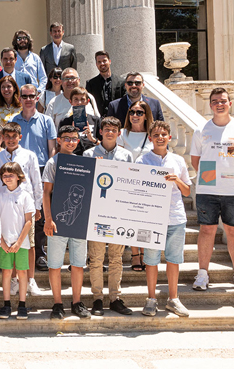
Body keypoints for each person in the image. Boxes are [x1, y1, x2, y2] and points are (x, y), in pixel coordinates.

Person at [190, 87, 234, 293]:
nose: (219, 104)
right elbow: (196, 161)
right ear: (210, 105)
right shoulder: (201, 131)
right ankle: (202, 274)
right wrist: (212, 178)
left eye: (223, 100)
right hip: (207, 188)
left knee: (233, 231)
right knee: (207, 230)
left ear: (229, 104)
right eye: (215, 101)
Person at [138, 121, 193, 317]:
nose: (160, 137)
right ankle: (151, 299)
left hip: (176, 217)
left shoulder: (178, 161)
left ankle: (173, 299)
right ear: (151, 137)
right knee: (151, 260)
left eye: (164, 134)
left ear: (169, 137)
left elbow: (187, 191)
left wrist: (176, 179)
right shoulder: (142, 161)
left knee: (173, 260)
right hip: (151, 219)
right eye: (156, 134)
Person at [82, 116, 134, 316]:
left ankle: (115, 298)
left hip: (118, 213)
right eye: (107, 129)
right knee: (95, 258)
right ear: (100, 132)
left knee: (116, 258)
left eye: (114, 129)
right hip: (96, 212)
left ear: (119, 133)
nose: (110, 132)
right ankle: (97, 298)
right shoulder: (88, 154)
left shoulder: (126, 156)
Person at [0, 123, 44, 297]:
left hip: (25, 207)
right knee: (8, 242)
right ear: (3, 138)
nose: (10, 139)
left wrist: (38, 205)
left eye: (14, 136)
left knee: (29, 243)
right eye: (7, 136)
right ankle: (13, 281)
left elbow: (36, 181)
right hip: (3, 207)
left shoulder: (29, 155)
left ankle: (30, 279)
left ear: (20, 136)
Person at [41, 125, 90, 319]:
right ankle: (58, 303)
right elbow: (46, 192)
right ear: (59, 140)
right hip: (56, 223)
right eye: (67, 138)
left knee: (78, 264)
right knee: (54, 265)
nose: (71, 141)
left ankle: (77, 302)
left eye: (74, 138)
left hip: (80, 222)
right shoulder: (53, 163)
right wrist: (48, 219)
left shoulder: (84, 163)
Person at [10, 83, 57, 275]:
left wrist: (51, 172)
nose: (28, 99)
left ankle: (39, 253)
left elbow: (52, 148)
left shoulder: (46, 121)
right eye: (25, 96)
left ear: (37, 97)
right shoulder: (14, 120)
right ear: (19, 98)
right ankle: (19, 252)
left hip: (41, 169)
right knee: (22, 214)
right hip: (19, 172)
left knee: (40, 214)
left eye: (32, 96)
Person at [0, 161, 34, 320]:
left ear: (19, 176)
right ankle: (7, 304)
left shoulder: (25, 196)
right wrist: (2, 242)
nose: (8, 178)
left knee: (22, 272)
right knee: (6, 272)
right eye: (5, 175)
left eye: (11, 175)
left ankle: (22, 305)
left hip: (21, 243)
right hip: (4, 242)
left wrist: (18, 242)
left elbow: (29, 221)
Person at [57, 87, 101, 154]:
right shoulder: (65, 122)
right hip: (73, 157)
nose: (79, 103)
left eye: (82, 99)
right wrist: (72, 133)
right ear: (70, 101)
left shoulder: (95, 120)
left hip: (92, 156)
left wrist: (92, 139)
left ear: (87, 101)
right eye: (76, 99)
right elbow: (60, 145)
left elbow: (104, 146)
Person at [84, 50, 125, 117]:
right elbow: (88, 105)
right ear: (96, 64)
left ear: (109, 61)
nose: (102, 63)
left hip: (117, 120)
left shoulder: (121, 82)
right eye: (99, 62)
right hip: (99, 121)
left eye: (104, 61)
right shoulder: (90, 83)